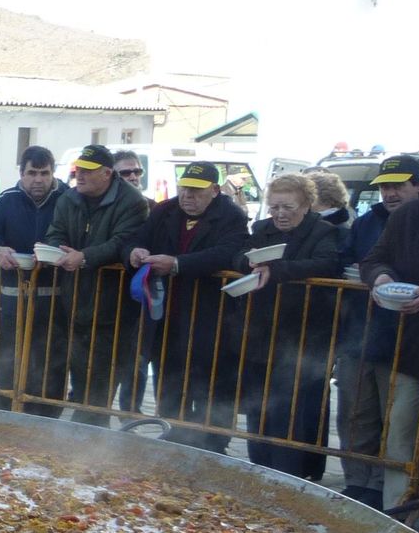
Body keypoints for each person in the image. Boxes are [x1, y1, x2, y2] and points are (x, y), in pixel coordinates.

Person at [125, 162, 250, 451]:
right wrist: (133, 252)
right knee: (170, 388)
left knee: (211, 390)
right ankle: (172, 443)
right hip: (167, 319)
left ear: (215, 190)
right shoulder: (165, 211)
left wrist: (178, 264)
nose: (187, 196)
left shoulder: (231, 216)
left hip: (211, 320)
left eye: (196, 190)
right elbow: (135, 239)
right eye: (184, 188)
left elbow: (227, 252)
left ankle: (214, 449)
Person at [236, 172, 342, 479]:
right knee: (258, 405)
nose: (280, 214)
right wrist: (249, 263)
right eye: (275, 207)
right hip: (262, 329)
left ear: (306, 205)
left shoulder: (323, 232)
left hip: (305, 332)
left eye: (288, 207)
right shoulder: (262, 228)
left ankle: (291, 473)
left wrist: (278, 271)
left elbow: (327, 263)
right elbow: (239, 255)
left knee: (292, 408)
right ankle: (259, 466)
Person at [42, 144, 149, 425]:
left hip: (113, 311)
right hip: (73, 303)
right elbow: (55, 232)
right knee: (80, 382)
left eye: (88, 171)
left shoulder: (132, 201)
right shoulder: (69, 198)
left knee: (99, 390)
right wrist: (59, 250)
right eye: (79, 169)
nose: (80, 175)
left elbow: (122, 242)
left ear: (107, 173)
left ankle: (90, 440)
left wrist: (85, 257)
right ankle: (82, 436)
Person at [339, 155, 419, 507]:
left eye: (397, 185)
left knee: (400, 428)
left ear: (416, 185)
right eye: (385, 186)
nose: (389, 193)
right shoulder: (397, 218)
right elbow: (369, 259)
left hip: (404, 342)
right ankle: (391, 508)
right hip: (399, 343)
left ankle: (398, 501)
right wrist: (380, 276)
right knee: (388, 428)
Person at [0, 146, 67, 413]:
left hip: (55, 301)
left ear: (53, 173)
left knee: (51, 367)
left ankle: (46, 423)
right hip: (12, 301)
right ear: (21, 173)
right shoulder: (6, 201)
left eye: (44, 173)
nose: (38, 179)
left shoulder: (67, 200)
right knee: (8, 366)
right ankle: (2, 420)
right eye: (32, 173)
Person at [358, 178, 419, 514]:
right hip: (414, 349)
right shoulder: (407, 215)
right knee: (400, 434)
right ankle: (398, 516)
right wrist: (381, 277)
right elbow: (373, 260)